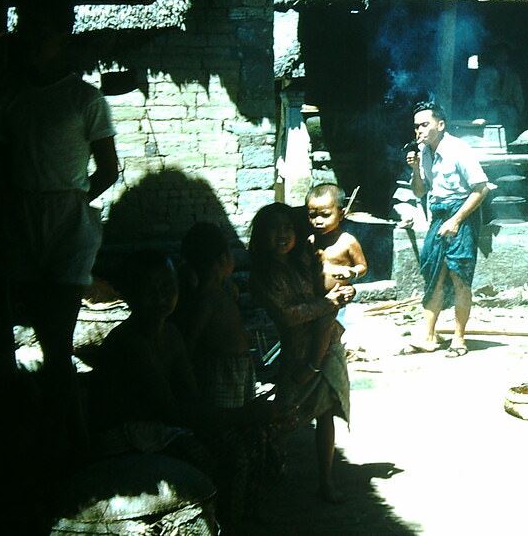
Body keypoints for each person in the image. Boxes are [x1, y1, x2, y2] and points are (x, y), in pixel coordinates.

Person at [0, 0, 119, 462]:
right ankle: (51, 439)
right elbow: (0, 166)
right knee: (13, 336)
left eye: (43, 30)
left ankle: (60, 450)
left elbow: (107, 170)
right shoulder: (10, 97)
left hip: (68, 223)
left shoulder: (84, 99)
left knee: (56, 338)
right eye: (28, 28)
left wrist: (71, 205)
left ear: (63, 35)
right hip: (19, 220)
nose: (33, 38)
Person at [86, 249, 276, 523]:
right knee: (209, 453)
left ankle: (241, 520)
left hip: (158, 427)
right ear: (127, 294)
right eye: (148, 290)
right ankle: (219, 522)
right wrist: (243, 414)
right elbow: (172, 411)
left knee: (251, 439)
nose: (161, 298)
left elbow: (192, 398)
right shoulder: (128, 344)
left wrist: (243, 418)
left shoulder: (172, 335)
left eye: (167, 287)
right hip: (125, 435)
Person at [249, 203, 354, 502]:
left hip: (327, 343)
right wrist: (328, 304)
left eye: (287, 229)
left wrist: (344, 291)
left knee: (326, 414)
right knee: (283, 417)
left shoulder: (304, 259)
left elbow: (327, 286)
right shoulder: (263, 276)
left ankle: (325, 479)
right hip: (296, 353)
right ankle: (270, 478)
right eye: (274, 229)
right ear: (261, 236)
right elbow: (287, 316)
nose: (282, 235)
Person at [405, 101, 490, 357]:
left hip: (461, 214)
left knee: (459, 276)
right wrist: (415, 169)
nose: (419, 131)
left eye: (425, 125)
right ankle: (429, 336)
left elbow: (481, 188)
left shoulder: (458, 149)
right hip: (438, 213)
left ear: (440, 125)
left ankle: (459, 340)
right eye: (416, 126)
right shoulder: (425, 152)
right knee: (433, 273)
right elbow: (420, 191)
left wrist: (456, 221)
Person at [176, 222, 254, 409]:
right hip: (220, 373)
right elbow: (190, 341)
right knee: (227, 422)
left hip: (239, 367)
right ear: (223, 259)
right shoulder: (206, 300)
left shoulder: (223, 292)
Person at [307, 183, 368, 291]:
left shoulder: (347, 241)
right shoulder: (311, 241)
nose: (318, 221)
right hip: (314, 297)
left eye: (325, 215)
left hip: (340, 296)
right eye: (312, 215)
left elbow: (362, 267)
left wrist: (352, 272)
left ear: (341, 215)